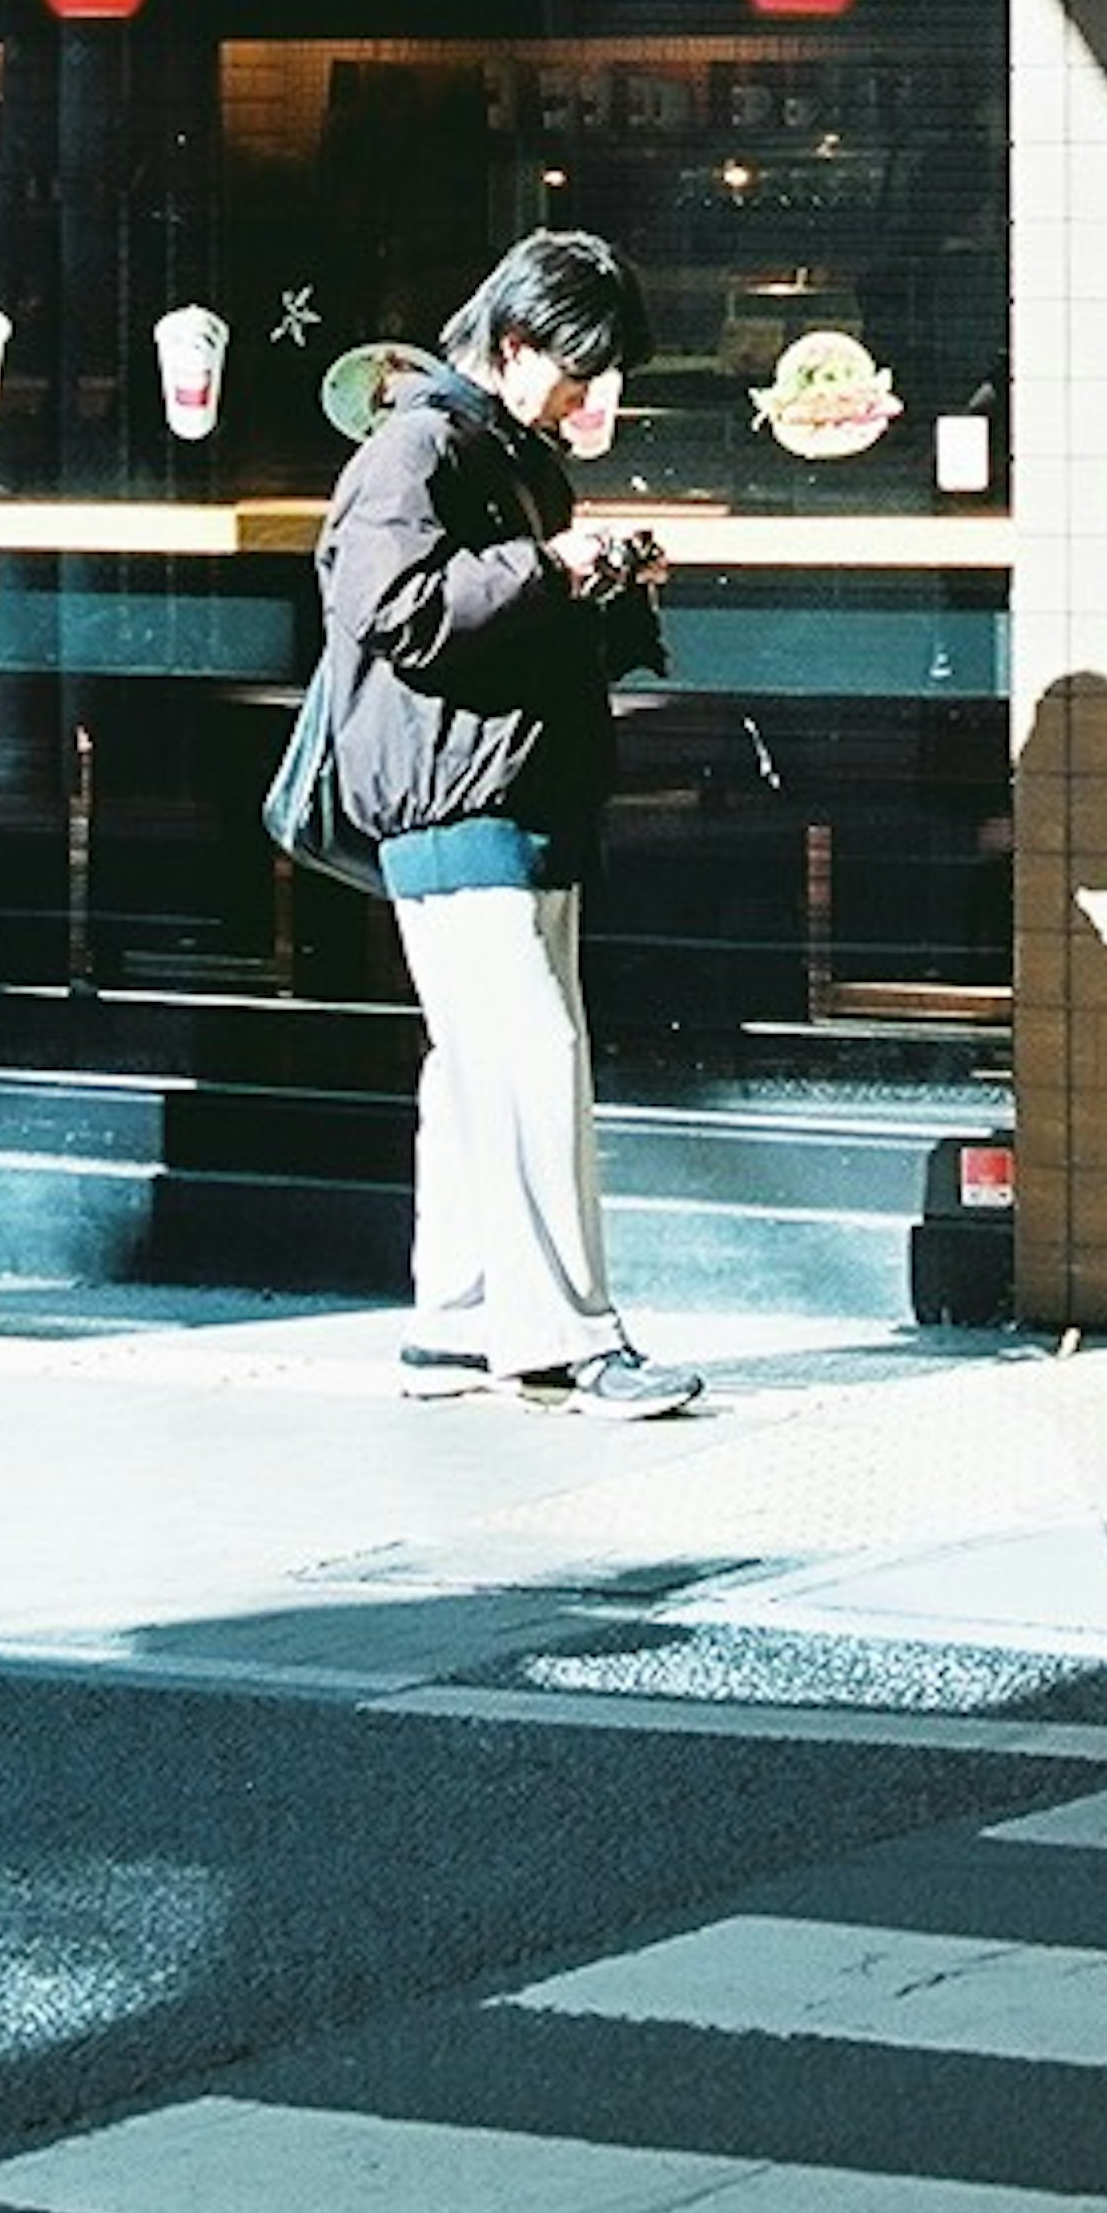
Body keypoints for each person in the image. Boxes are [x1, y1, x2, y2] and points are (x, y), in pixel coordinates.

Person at [316, 226, 699, 1417]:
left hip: (500, 791)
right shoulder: (417, 445)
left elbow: (482, 610)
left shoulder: (497, 448)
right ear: (519, 341)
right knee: (532, 1059)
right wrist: (555, 566)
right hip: (459, 795)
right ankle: (566, 1337)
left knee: (481, 1066)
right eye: (582, 369)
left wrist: (596, 577)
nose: (595, 395)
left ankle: (461, 1315)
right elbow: (397, 609)